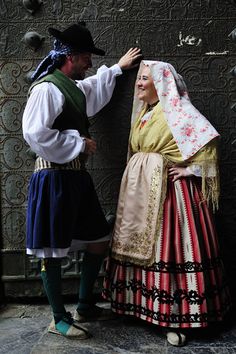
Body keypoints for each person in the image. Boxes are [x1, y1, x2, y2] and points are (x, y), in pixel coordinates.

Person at [22, 22, 141, 338]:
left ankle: (85, 304)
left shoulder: (70, 86)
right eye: (87, 56)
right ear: (72, 56)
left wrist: (116, 68)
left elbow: (89, 93)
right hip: (52, 177)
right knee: (51, 249)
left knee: (99, 238)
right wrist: (78, 142)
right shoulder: (46, 88)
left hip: (77, 178)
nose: (90, 63)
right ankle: (58, 319)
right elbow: (35, 132)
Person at [103, 60, 231, 346]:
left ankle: (175, 316)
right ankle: (137, 306)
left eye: (144, 79)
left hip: (171, 195)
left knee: (170, 248)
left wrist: (190, 170)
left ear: (160, 83)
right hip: (140, 191)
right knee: (137, 243)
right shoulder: (146, 114)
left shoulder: (177, 111)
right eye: (138, 78)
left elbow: (208, 144)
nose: (138, 83)